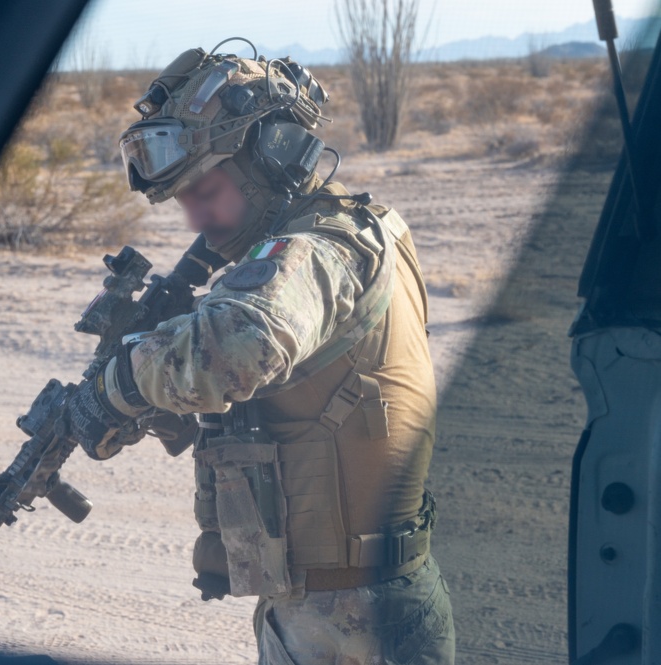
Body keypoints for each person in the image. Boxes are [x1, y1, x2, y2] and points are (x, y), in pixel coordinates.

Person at [62, 41, 455, 664]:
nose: (196, 219)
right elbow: (282, 410)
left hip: (361, 615)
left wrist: (120, 382)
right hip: (320, 604)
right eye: (184, 199)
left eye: (206, 190)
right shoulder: (336, 238)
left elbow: (240, 348)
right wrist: (154, 405)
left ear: (271, 159)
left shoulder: (319, 250)